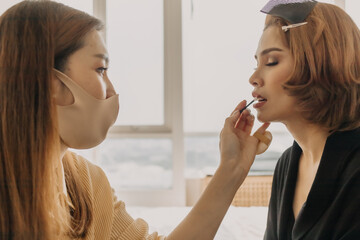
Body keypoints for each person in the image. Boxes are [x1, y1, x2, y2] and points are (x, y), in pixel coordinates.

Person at [0, 1, 271, 239]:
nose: (111, 90)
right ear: (51, 84)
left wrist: (231, 168)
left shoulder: (88, 182)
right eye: (100, 69)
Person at [249, 0, 360, 239]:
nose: (254, 78)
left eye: (271, 62)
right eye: (256, 63)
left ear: (321, 63)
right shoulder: (287, 164)